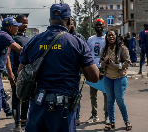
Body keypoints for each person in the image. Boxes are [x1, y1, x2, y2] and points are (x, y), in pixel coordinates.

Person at [18, 3, 99, 132]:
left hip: (37, 107)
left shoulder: (33, 41)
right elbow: (94, 77)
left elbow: (21, 73)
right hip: (63, 111)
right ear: (68, 20)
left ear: (50, 20)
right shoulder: (77, 43)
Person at [100, 29, 132, 131]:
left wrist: (115, 65)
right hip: (108, 77)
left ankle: (127, 121)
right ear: (107, 37)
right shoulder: (105, 48)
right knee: (109, 101)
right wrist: (103, 63)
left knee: (119, 100)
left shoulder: (122, 48)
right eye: (109, 35)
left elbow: (128, 62)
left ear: (116, 36)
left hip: (120, 77)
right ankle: (111, 122)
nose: (111, 37)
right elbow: (100, 60)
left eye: (112, 35)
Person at [6, 14, 30, 132]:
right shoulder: (12, 38)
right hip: (16, 71)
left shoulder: (28, 38)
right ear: (17, 24)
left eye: (26, 23)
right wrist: (10, 73)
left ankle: (24, 121)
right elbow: (8, 57)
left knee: (26, 97)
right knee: (16, 98)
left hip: (28, 73)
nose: (25, 25)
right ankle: (17, 124)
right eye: (22, 23)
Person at [86, 18, 108, 124]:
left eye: (100, 25)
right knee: (93, 93)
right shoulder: (90, 39)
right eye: (96, 25)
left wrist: (104, 68)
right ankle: (94, 115)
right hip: (93, 69)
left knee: (106, 93)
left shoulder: (107, 39)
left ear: (104, 26)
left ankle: (107, 115)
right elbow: (87, 54)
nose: (98, 27)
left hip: (105, 69)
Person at [69, 18, 86, 126]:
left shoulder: (79, 37)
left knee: (75, 94)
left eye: (72, 24)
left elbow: (85, 54)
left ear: (74, 25)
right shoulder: (62, 36)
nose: (70, 25)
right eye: (69, 23)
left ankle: (77, 117)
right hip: (65, 71)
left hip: (75, 71)